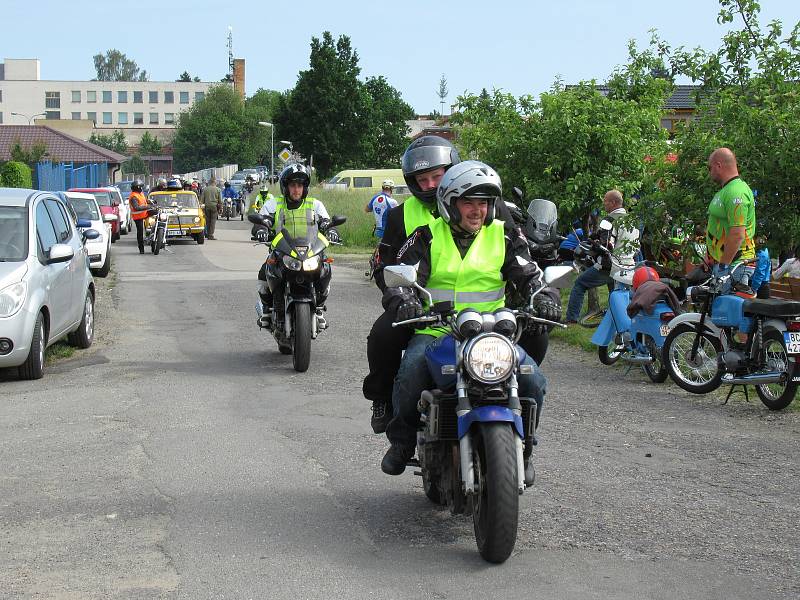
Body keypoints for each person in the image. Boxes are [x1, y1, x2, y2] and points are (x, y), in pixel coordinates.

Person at [379, 161, 559, 485]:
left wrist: (544, 298)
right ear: (450, 203)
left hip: (493, 332)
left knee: (534, 382)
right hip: (438, 330)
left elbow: (529, 273)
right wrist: (404, 300)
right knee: (410, 375)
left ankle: (526, 448)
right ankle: (402, 442)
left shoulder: (503, 235)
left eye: (484, 203)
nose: (477, 211)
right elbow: (400, 278)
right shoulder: (427, 236)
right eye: (468, 202)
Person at [362, 136, 461, 434]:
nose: (430, 185)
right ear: (412, 181)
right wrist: (400, 300)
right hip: (419, 307)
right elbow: (385, 265)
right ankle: (382, 399)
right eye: (423, 179)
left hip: (479, 310)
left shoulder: (478, 202)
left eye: (437, 176)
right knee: (381, 336)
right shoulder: (399, 215)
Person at [256, 163, 332, 322]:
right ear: (286, 187)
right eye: (292, 185)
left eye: (300, 185)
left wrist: (331, 229)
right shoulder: (274, 203)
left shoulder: (315, 204)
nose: (296, 189)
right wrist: (261, 229)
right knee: (265, 274)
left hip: (310, 250)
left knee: (325, 270)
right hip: (283, 250)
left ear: (305, 188)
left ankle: (318, 308)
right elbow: (263, 221)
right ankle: (267, 310)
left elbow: (326, 221)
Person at [565, 190, 640, 323]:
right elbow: (637, 247)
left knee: (580, 283)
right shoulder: (632, 221)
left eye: (605, 201)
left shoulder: (608, 220)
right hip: (627, 265)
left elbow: (605, 245)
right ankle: (616, 320)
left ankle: (572, 319)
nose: (603, 204)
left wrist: (593, 246)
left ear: (613, 203)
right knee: (614, 295)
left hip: (610, 265)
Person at [705, 147, 756, 286]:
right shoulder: (726, 190)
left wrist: (723, 266)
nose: (709, 172)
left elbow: (737, 235)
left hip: (734, 267)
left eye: (709, 168)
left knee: (727, 307)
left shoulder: (736, 192)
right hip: (723, 264)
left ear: (718, 165)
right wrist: (710, 256)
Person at [128, 179, 151, 254]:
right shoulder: (133, 196)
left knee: (156, 213)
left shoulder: (140, 193)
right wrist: (147, 207)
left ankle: (156, 231)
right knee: (140, 232)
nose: (142, 188)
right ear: (137, 187)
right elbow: (136, 207)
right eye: (141, 187)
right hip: (138, 217)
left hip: (144, 214)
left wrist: (150, 201)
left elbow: (144, 201)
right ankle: (141, 248)